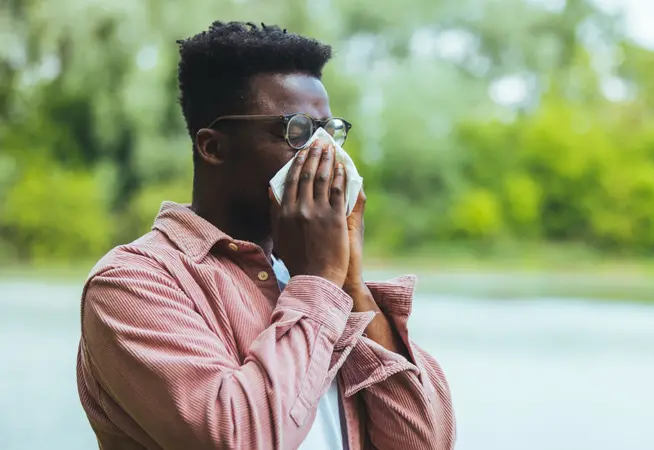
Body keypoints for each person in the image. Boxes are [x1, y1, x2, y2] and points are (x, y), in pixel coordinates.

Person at [76, 21, 455, 450]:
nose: (325, 154)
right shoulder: (133, 284)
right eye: (296, 131)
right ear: (213, 147)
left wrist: (350, 282)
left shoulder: (319, 280)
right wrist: (318, 284)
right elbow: (241, 440)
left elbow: (426, 442)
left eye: (329, 133)